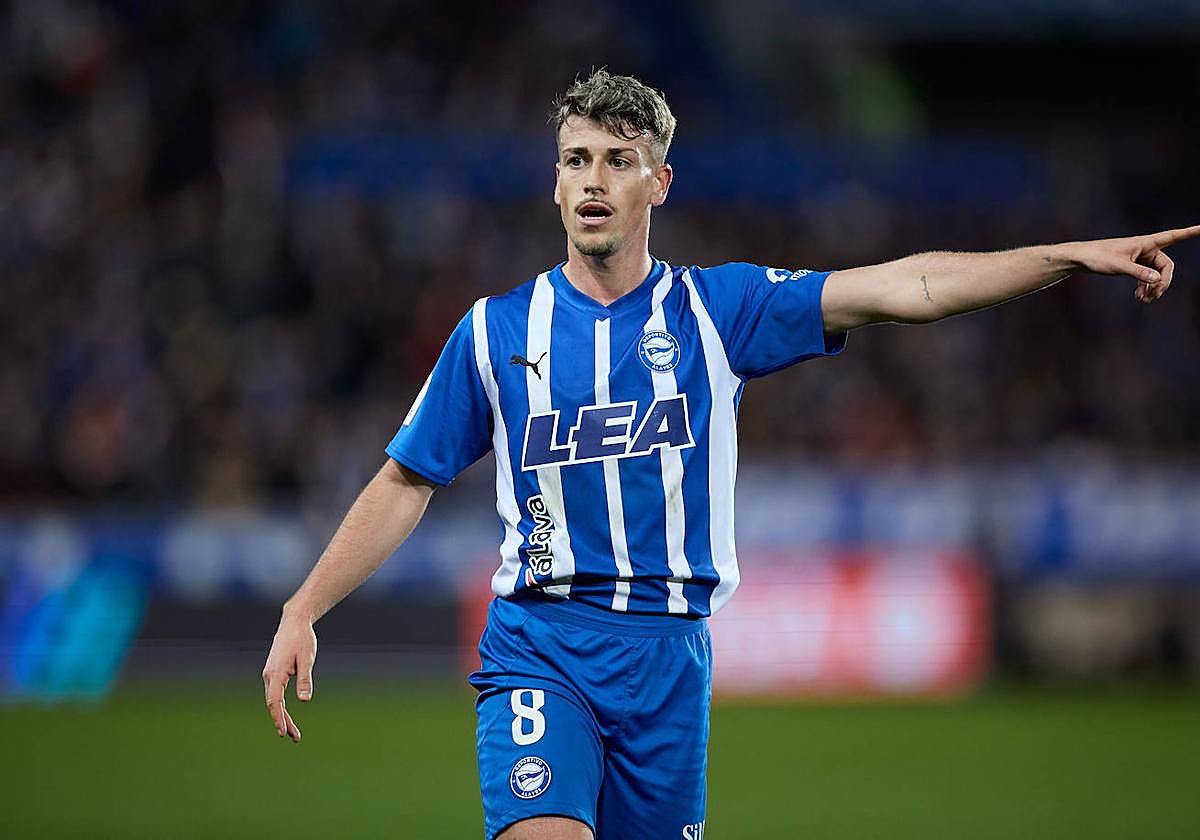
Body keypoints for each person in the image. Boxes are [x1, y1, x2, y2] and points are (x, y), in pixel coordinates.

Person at [262, 69, 1197, 839]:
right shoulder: (495, 332)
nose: (593, 180)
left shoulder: (718, 311)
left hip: (672, 661)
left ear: (657, 184)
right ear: (552, 182)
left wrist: (1071, 254)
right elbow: (405, 478)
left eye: (619, 162)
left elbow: (908, 286)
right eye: (576, 160)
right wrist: (305, 606)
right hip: (542, 646)